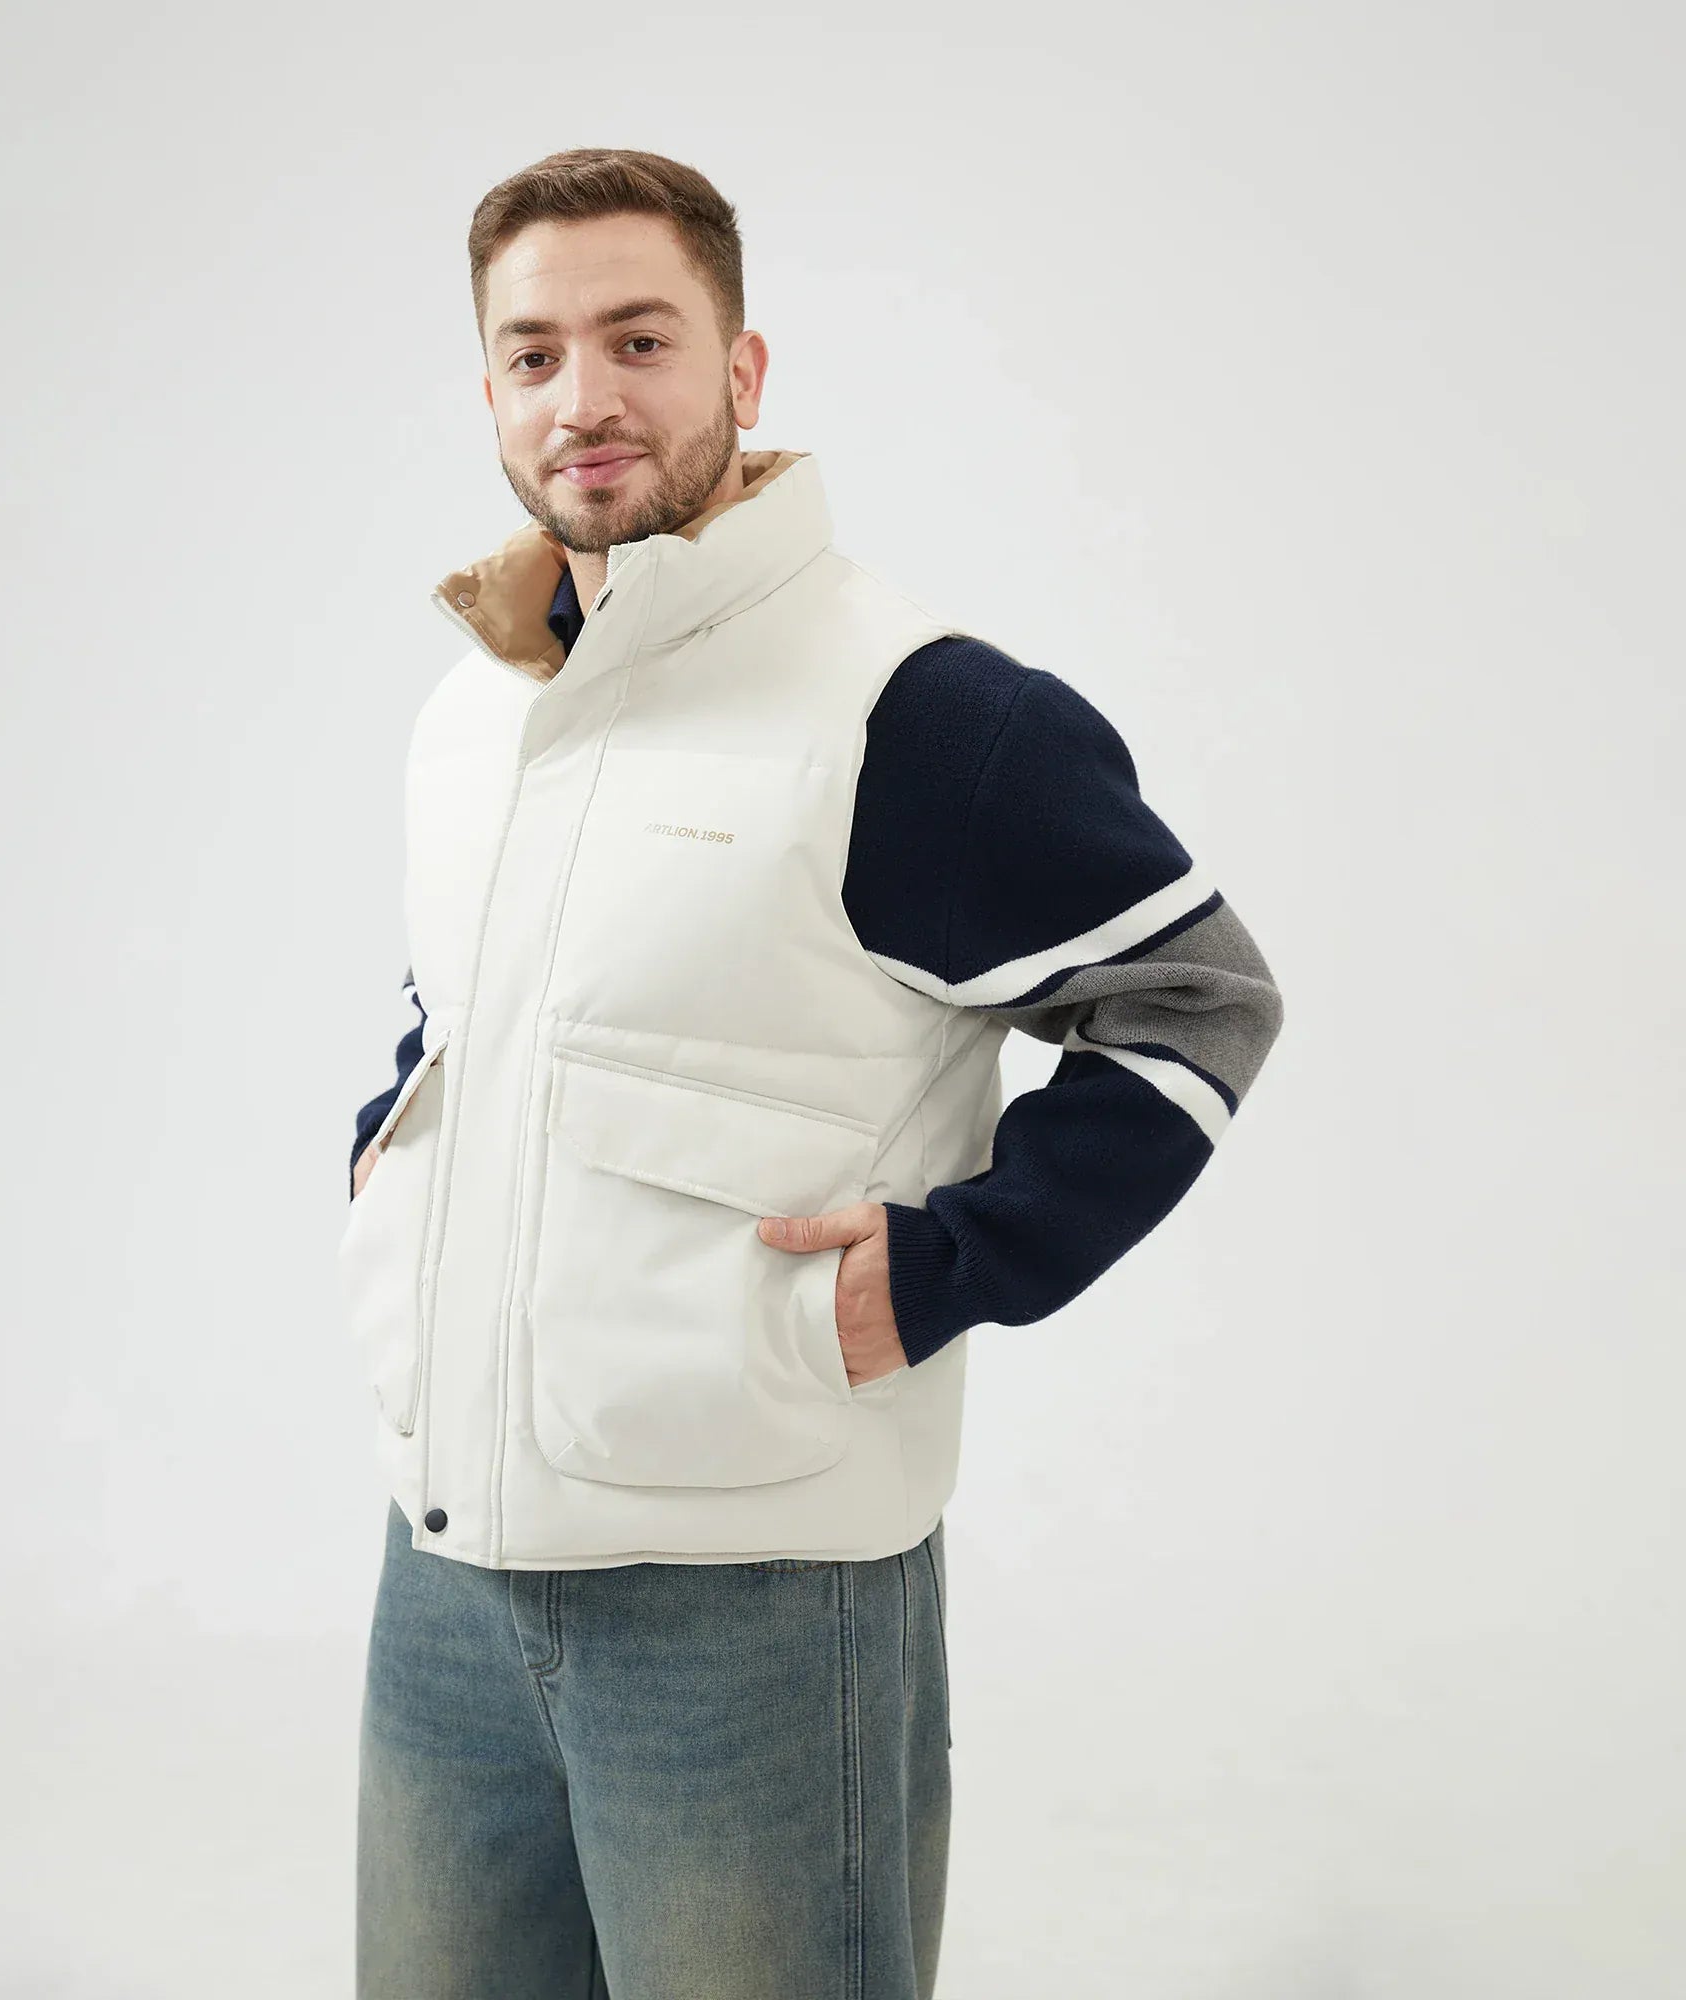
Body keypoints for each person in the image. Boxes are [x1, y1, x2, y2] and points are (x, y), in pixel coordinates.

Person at [342, 146, 1284, 2000]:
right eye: (533, 354)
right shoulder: (478, 708)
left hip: (757, 1610)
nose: (585, 396)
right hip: (442, 1584)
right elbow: (475, 1002)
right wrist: (390, 1147)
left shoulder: (914, 708)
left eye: (640, 339)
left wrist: (951, 1267)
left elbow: (1196, 997)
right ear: (491, 392)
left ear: (743, 369)